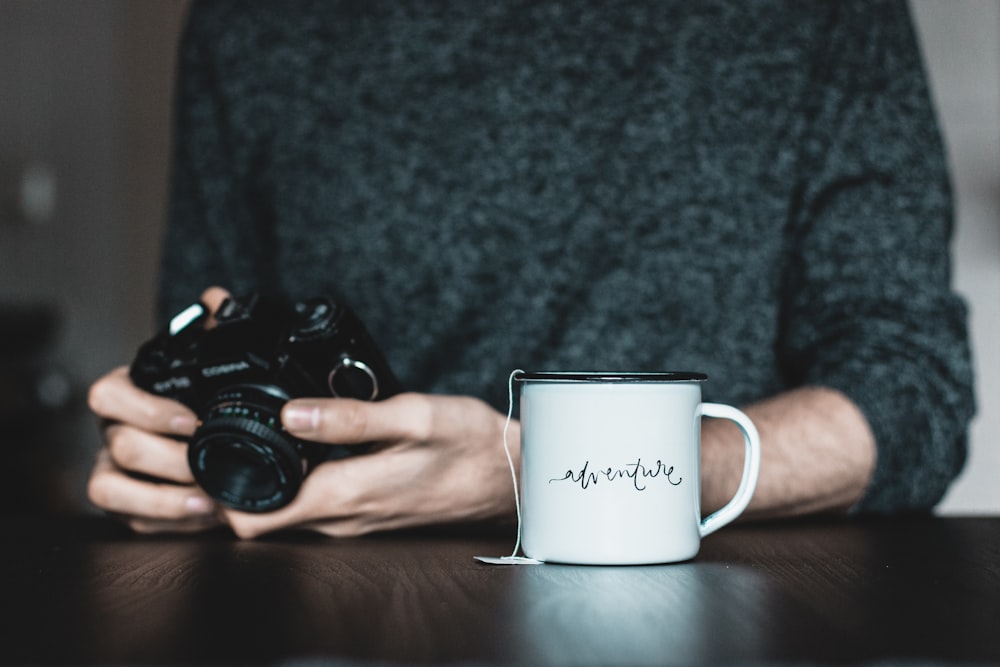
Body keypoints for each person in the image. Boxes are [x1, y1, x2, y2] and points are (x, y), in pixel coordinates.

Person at [86, 0, 975, 539]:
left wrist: (544, 472)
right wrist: (167, 455)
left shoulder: (819, 18)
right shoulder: (247, 25)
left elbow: (908, 399)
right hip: (326, 617)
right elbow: (202, 336)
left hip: (721, 609)